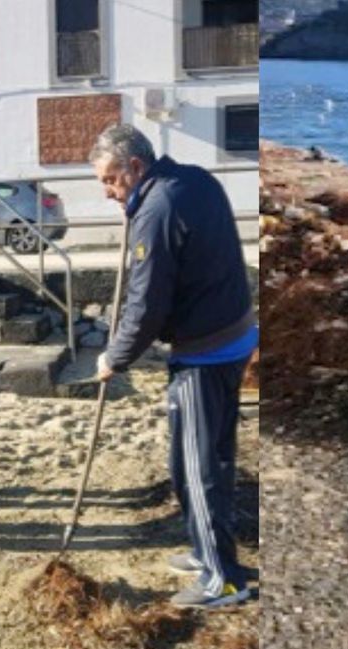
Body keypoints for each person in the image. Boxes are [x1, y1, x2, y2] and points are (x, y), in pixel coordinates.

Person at [91, 124, 258, 609]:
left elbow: (145, 306)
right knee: (210, 457)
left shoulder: (157, 209)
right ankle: (207, 552)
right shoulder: (195, 179)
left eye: (109, 181)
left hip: (204, 353)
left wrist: (115, 358)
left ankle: (224, 580)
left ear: (135, 168)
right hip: (234, 334)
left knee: (197, 466)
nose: (106, 193)